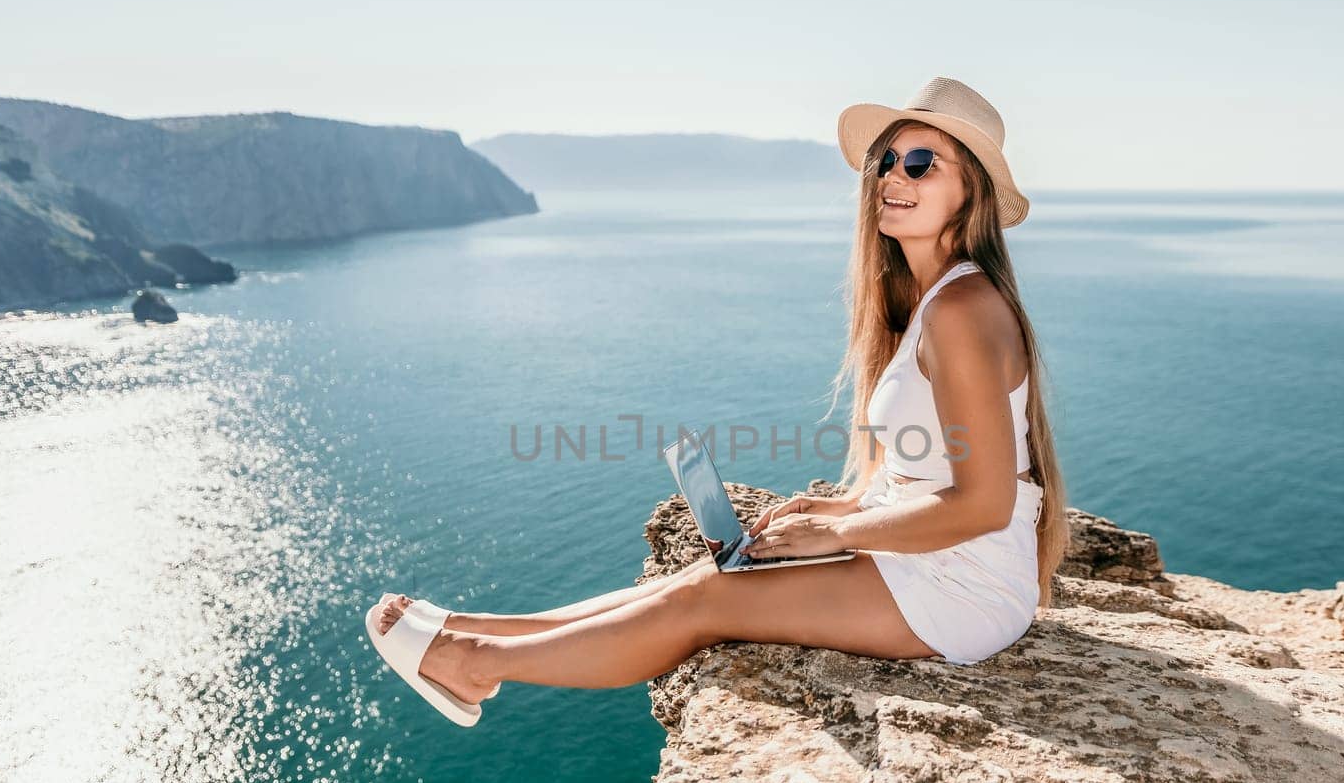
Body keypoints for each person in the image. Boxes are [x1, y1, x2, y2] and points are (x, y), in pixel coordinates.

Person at [369, 76, 1070, 716]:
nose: (894, 175)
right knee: (698, 576)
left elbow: (984, 502)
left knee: (706, 599)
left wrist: (836, 534)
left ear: (970, 193)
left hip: (965, 587)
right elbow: (924, 461)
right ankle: (478, 630)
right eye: (887, 160)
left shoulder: (963, 309)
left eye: (922, 164)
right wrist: (846, 503)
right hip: (924, 555)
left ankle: (476, 666)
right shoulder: (932, 300)